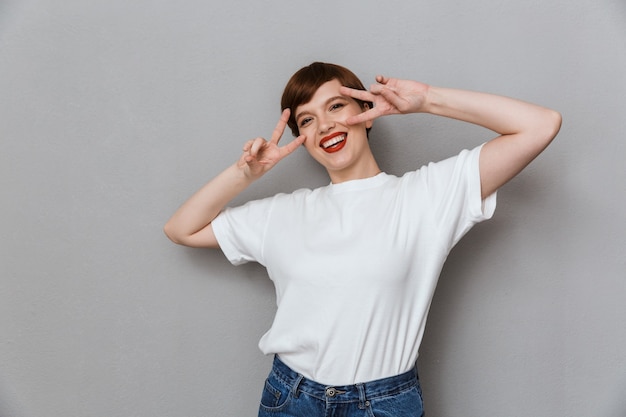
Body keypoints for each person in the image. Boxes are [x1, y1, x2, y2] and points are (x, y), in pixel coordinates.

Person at [164, 62, 561, 417]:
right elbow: (181, 228)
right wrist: (246, 174)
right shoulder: (281, 214)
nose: (324, 126)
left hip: (384, 403)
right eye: (307, 120)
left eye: (335, 106)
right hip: (291, 398)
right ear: (301, 138)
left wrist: (427, 100)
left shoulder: (426, 196)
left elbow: (541, 124)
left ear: (366, 113)